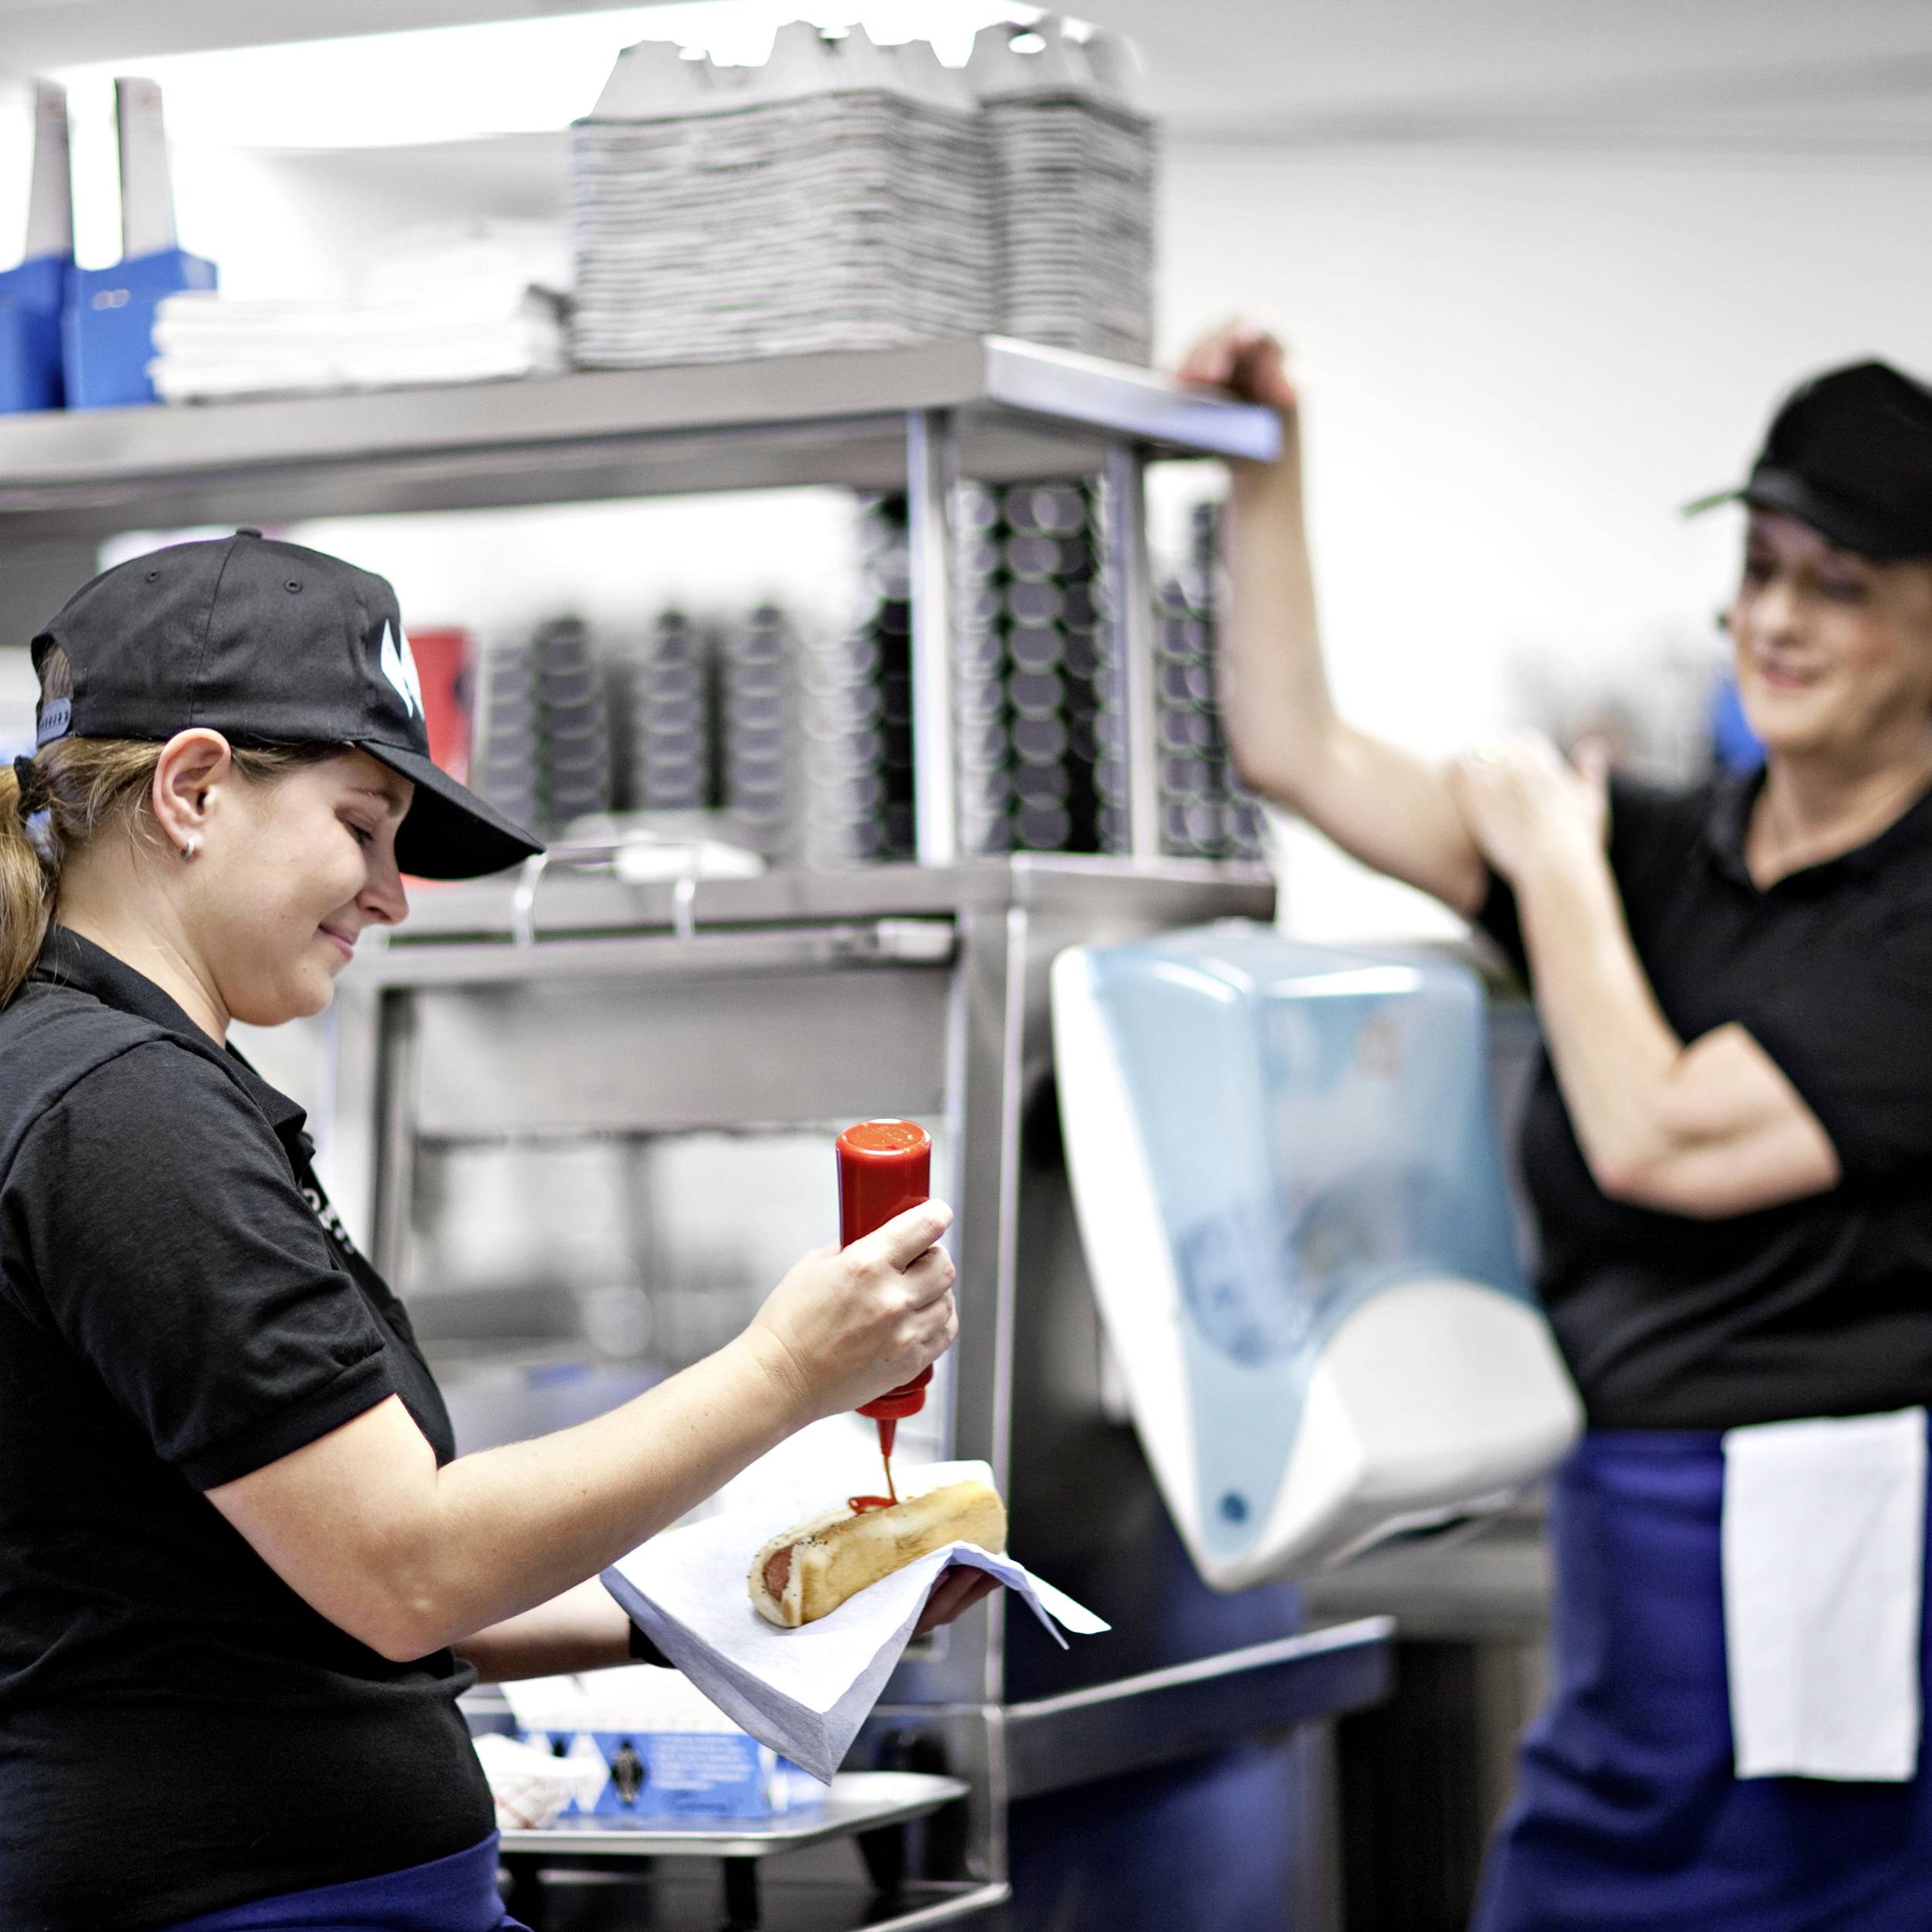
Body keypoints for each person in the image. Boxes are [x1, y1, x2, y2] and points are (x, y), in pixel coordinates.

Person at [0, 530, 995, 1932]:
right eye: (361, 828)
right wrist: (785, 1373)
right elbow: (405, 1569)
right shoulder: (124, 1116)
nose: (392, 894)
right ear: (194, 788)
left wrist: (724, 1603)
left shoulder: (123, 1084)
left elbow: (307, 1583)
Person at [1182, 330, 1932, 1928]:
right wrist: (1265, 459)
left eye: (1839, 583)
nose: (1776, 620)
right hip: (1630, 1523)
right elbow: (1296, 750)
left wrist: (1557, 866)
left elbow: (1660, 1133)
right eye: (1756, 568)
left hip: (1839, 1546)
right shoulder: (1655, 850)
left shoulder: (1898, 914)